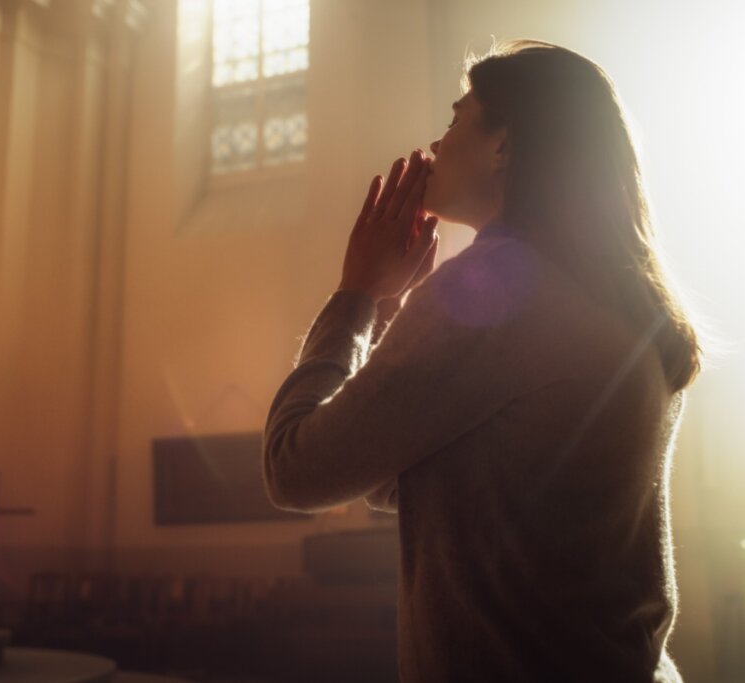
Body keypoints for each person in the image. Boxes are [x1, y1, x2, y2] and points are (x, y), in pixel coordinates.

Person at [263, 39, 700, 683]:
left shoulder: (505, 286)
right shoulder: (620, 297)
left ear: (503, 145)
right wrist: (394, 304)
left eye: (455, 118)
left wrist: (356, 294)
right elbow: (401, 478)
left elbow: (295, 469)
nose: (435, 144)